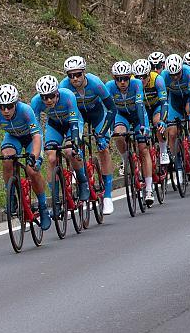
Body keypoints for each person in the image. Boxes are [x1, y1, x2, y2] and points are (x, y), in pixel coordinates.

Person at [0, 84, 51, 230]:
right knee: (7, 159)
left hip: (31, 138)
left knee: (32, 170)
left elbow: (36, 136)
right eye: (2, 106)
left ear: (16, 103)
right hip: (12, 137)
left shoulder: (26, 110)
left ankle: (43, 206)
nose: (6, 110)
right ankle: (11, 197)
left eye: (9, 106)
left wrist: (34, 156)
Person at [60, 56, 118, 214]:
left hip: (97, 114)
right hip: (77, 116)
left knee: (103, 148)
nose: (74, 78)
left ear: (84, 72)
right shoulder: (64, 87)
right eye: (70, 75)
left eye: (78, 74)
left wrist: (102, 133)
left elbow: (112, 109)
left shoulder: (96, 83)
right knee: (72, 147)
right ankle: (80, 174)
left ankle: (107, 196)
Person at [31, 75, 89, 205]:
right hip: (54, 125)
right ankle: (55, 198)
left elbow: (74, 123)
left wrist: (75, 144)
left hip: (72, 123)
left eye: (51, 96)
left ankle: (83, 182)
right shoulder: (36, 102)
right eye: (44, 97)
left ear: (57, 93)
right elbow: (36, 131)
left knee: (70, 152)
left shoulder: (68, 95)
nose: (48, 100)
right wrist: (38, 154)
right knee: (51, 158)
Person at [105, 61, 154, 206]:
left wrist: (144, 126)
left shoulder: (137, 84)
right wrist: (107, 129)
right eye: (118, 79)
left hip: (137, 115)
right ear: (114, 79)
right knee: (118, 134)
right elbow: (107, 109)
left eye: (125, 78)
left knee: (143, 148)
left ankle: (149, 188)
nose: (122, 82)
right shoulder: (109, 87)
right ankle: (126, 159)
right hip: (121, 115)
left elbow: (139, 105)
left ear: (130, 77)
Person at [160, 53, 190, 165]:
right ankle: (178, 164)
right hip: (175, 99)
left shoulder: (188, 71)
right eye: (172, 75)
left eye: (177, 74)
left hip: (189, 97)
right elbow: (164, 98)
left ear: (181, 69)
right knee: (172, 133)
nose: (175, 77)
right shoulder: (164, 75)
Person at [133, 58, 169, 165]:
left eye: (144, 77)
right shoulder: (131, 82)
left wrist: (162, 120)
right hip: (142, 108)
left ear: (149, 74)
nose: (141, 80)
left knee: (157, 122)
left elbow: (164, 103)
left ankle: (163, 150)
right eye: (137, 77)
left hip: (157, 106)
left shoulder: (157, 79)